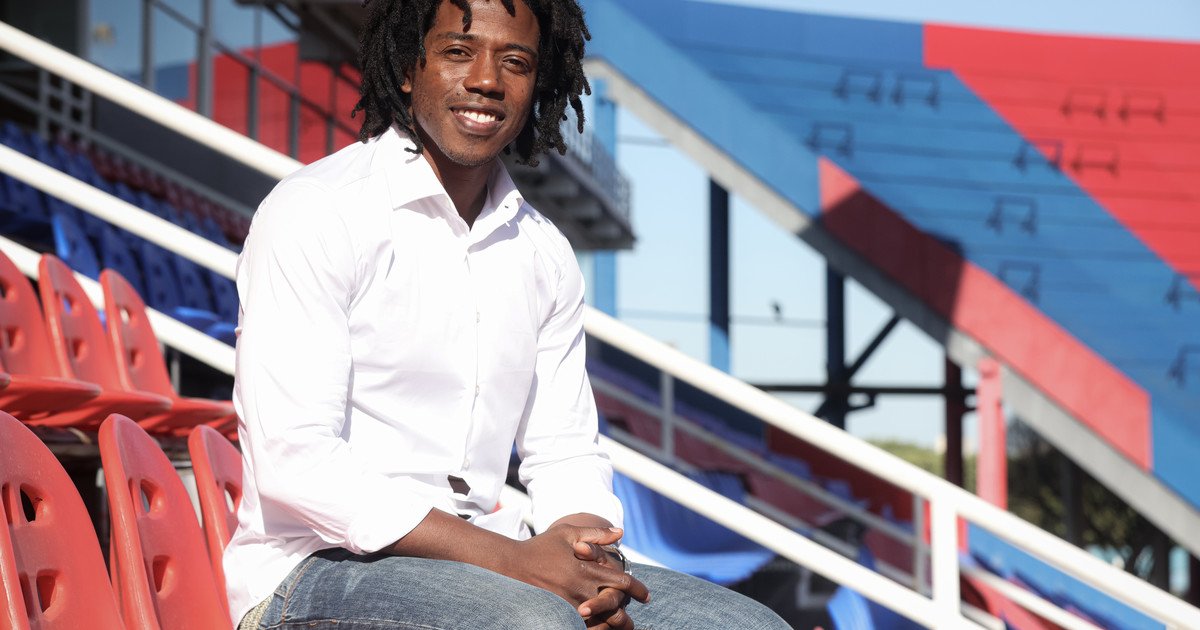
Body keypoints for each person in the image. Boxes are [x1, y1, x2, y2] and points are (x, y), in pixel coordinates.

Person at [224, 0, 791, 628]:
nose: (487, 80)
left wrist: (592, 565)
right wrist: (517, 564)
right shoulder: (317, 212)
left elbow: (564, 451)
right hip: (315, 567)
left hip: (490, 559)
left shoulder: (543, 252)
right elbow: (297, 460)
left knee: (750, 626)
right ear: (409, 68)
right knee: (535, 623)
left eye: (515, 62)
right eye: (458, 52)